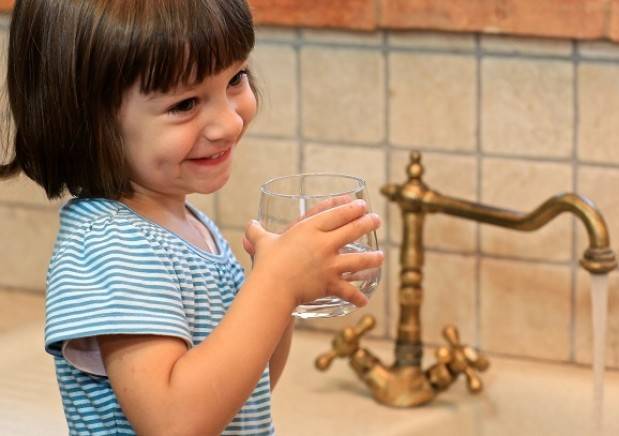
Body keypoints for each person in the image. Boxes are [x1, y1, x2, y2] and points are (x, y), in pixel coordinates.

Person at [0, 0, 384, 435]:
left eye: (236, 78)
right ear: (85, 121)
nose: (229, 122)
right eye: (185, 104)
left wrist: (281, 288)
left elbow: (246, 390)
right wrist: (275, 285)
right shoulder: (109, 245)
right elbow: (174, 423)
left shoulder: (188, 226)